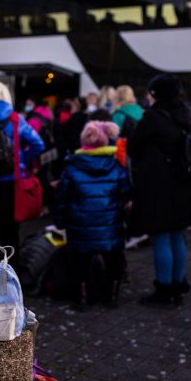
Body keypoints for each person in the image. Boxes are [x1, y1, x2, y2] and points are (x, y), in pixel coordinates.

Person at [128, 74, 191, 304]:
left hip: (158, 183)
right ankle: (178, 282)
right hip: (182, 182)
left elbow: (134, 146)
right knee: (177, 234)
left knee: (160, 236)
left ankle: (164, 288)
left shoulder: (154, 116)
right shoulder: (186, 114)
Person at [54, 121, 132, 309]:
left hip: (80, 226)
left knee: (79, 262)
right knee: (114, 261)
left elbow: (62, 197)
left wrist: (60, 220)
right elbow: (126, 193)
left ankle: (82, 297)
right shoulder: (115, 166)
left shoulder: (72, 167)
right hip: (109, 226)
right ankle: (111, 296)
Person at [0, 81, 44, 250]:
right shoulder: (15, 119)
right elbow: (38, 144)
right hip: (11, 181)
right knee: (11, 229)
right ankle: (11, 270)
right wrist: (22, 160)